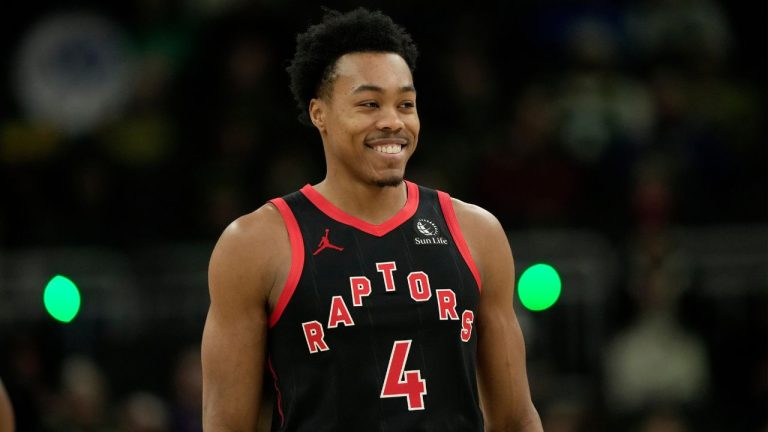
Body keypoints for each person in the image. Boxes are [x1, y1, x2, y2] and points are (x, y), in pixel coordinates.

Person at [202, 7, 542, 431]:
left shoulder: (477, 231)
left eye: (406, 104)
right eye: (369, 103)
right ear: (319, 114)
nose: (392, 122)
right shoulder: (255, 243)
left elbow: (516, 418)